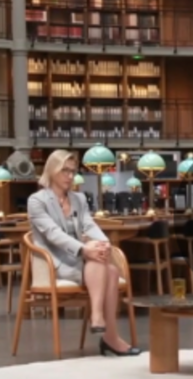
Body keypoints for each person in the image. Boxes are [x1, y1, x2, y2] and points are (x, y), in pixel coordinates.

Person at [28, 150, 140, 357]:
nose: (70, 176)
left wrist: (103, 243)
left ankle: (106, 332)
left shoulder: (78, 198)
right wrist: (84, 248)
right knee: (102, 264)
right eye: (65, 171)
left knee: (108, 266)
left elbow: (89, 224)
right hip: (55, 261)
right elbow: (53, 234)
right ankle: (103, 326)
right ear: (52, 171)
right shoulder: (37, 201)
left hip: (81, 257)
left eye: (73, 171)